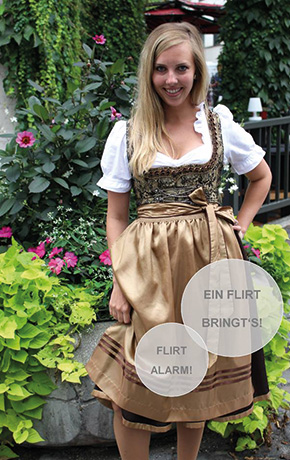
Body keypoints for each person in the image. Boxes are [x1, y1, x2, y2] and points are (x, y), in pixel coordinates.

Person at [86, 22, 272, 460]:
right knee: (137, 381)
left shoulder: (218, 124)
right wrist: (120, 281)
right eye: (161, 69)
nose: (171, 79)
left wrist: (239, 225)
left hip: (211, 260)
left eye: (181, 68)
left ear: (197, 70)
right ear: (148, 74)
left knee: (199, 367)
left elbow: (261, 177)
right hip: (148, 267)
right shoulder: (128, 133)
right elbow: (116, 216)